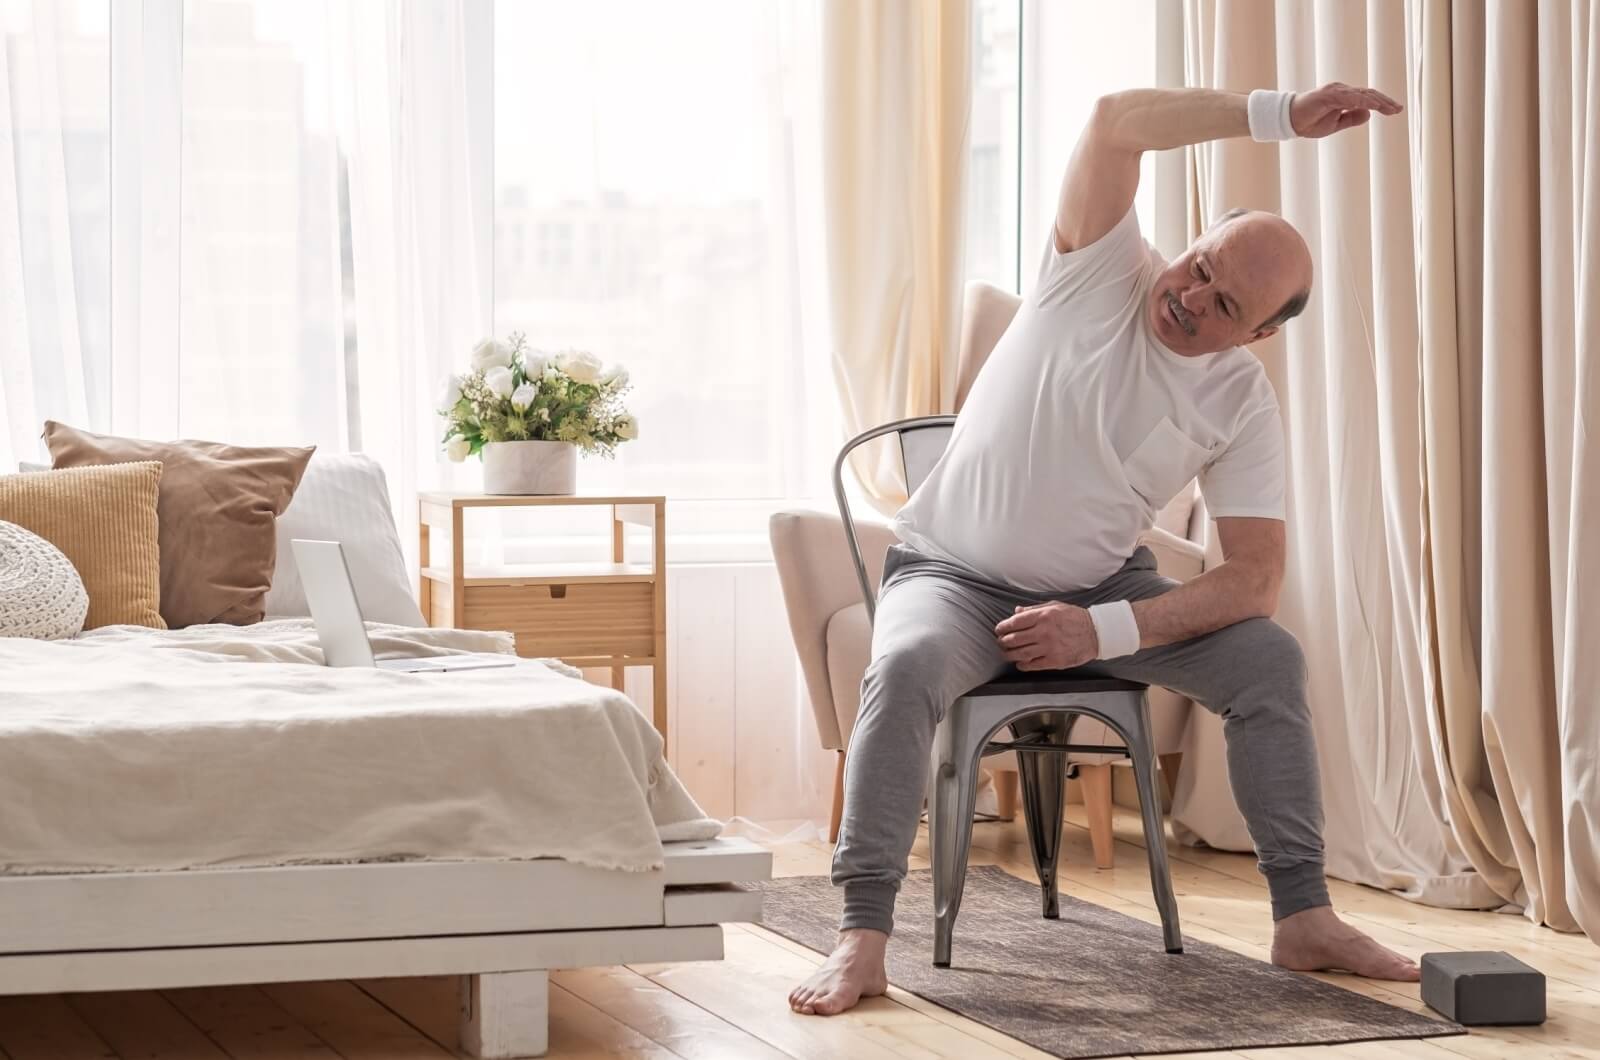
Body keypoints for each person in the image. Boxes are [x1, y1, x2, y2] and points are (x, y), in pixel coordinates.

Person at [790, 82, 1413, 1018]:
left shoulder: (1242, 403)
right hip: (951, 572)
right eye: (1199, 265)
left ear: (1259, 334)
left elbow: (1256, 580)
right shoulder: (1102, 267)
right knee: (908, 660)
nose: (1190, 297)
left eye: (1224, 302)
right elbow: (1114, 119)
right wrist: (1279, 113)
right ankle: (862, 936)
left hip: (1097, 592)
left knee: (1268, 660)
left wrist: (1101, 628)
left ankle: (1303, 916)